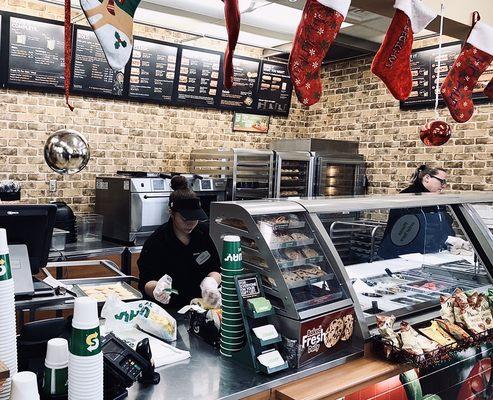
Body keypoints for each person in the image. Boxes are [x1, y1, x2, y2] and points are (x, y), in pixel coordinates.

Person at [137, 176, 221, 309]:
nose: (191, 223)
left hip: (200, 307)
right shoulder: (156, 242)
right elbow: (145, 282)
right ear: (171, 213)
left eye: (195, 218)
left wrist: (211, 283)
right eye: (185, 218)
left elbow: (215, 269)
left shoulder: (204, 234)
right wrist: (157, 289)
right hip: (168, 310)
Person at [377, 165, 454, 259]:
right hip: (399, 255)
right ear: (427, 178)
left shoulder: (434, 198)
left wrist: (451, 240)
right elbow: (405, 231)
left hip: (421, 254)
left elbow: (442, 225)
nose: (444, 185)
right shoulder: (409, 196)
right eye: (442, 181)